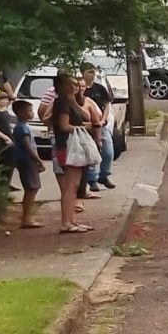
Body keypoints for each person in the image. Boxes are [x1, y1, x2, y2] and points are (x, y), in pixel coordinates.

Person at [48, 73, 95, 234]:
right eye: (70, 84)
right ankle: (66, 222)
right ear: (61, 86)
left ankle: (72, 220)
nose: (74, 87)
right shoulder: (61, 103)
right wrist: (85, 128)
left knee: (74, 186)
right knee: (70, 186)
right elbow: (64, 126)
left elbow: (86, 116)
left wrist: (75, 100)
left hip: (74, 147)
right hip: (67, 147)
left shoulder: (70, 102)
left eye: (76, 84)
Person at [0, 96, 43, 230]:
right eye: (29, 111)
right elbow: (28, 147)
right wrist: (38, 160)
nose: (32, 113)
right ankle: (27, 217)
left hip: (27, 160)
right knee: (31, 188)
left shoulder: (23, 126)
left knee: (33, 188)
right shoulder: (21, 128)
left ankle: (28, 216)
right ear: (21, 113)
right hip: (26, 160)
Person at [81, 64, 116, 192]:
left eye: (93, 72)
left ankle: (104, 175)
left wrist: (104, 119)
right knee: (90, 153)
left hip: (101, 125)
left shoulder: (100, 88)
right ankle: (92, 180)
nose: (92, 74)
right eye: (89, 72)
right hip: (87, 127)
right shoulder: (81, 90)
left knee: (108, 151)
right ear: (82, 73)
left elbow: (107, 105)